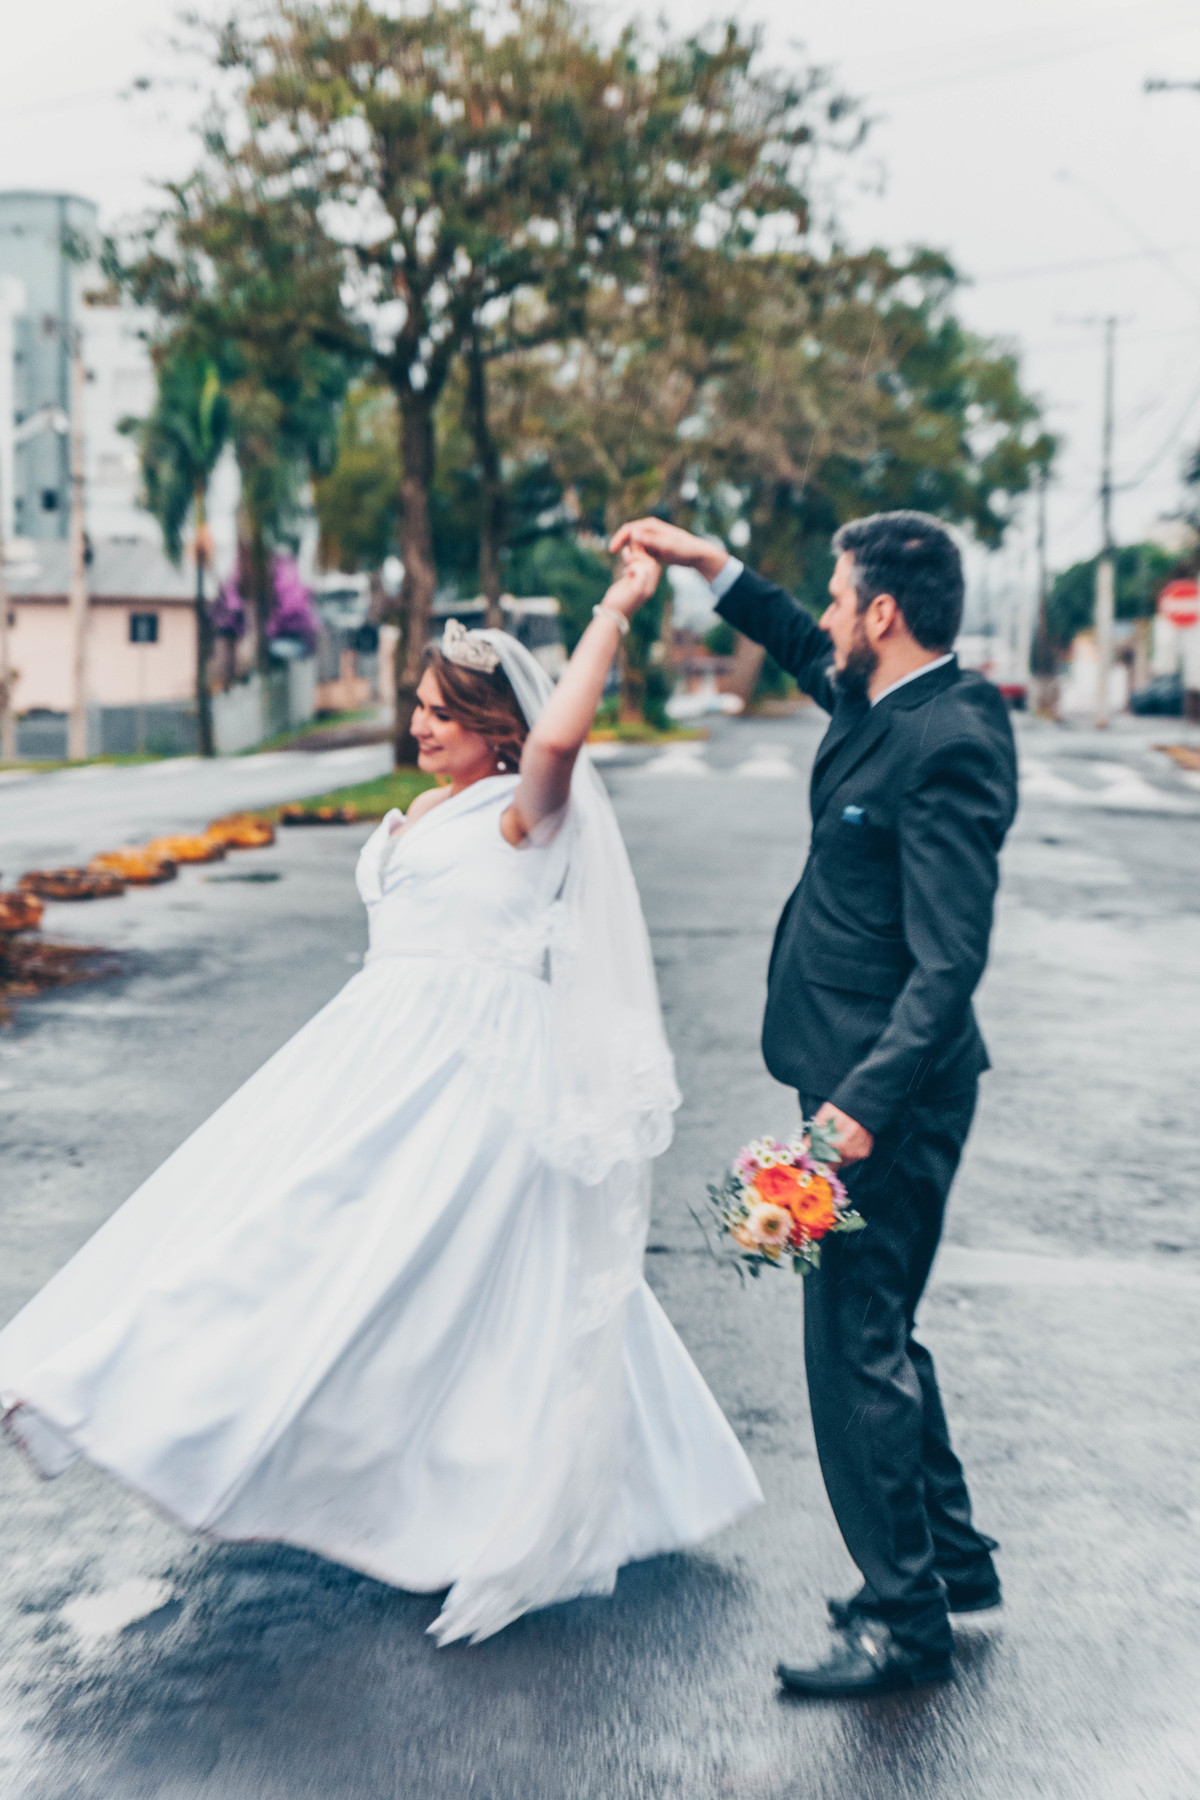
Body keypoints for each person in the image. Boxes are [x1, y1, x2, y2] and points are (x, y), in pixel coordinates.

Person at [0, 548, 761, 1647]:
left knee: (413, 1273)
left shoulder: (522, 810)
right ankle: (95, 1379)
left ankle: (534, 1487)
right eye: (416, 707)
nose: (419, 727)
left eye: (441, 713)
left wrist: (615, 611)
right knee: (283, 1231)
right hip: (372, 1055)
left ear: (498, 732)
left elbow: (561, 737)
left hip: (472, 1076)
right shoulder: (426, 808)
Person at [610, 510, 1018, 1696]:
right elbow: (798, 640)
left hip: (880, 1093)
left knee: (852, 1348)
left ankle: (905, 1619)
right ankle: (950, 1561)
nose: (829, 616)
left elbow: (949, 965)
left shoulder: (948, 737)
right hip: (850, 1070)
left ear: (884, 614)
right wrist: (708, 565)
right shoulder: (886, 701)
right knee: (879, 1323)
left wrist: (856, 1111)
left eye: (843, 600)